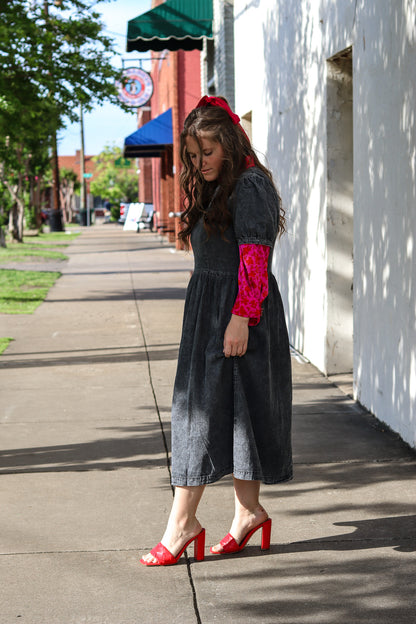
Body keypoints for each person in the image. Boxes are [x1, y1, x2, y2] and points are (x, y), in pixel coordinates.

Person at [140, 96, 292, 566]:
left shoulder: (248, 186)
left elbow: (254, 257)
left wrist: (241, 317)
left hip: (237, 315)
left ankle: (182, 523)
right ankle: (248, 512)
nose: (198, 162)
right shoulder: (220, 186)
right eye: (191, 154)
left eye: (206, 151)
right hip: (212, 313)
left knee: (199, 414)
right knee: (233, 411)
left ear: (227, 144)